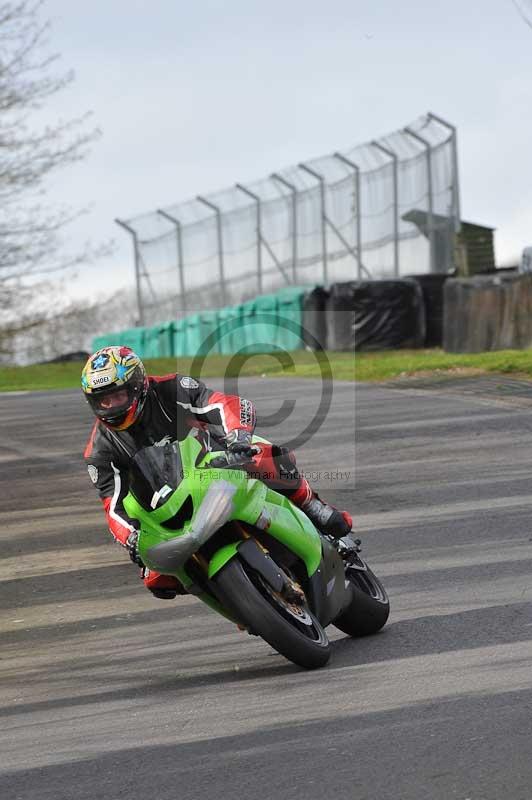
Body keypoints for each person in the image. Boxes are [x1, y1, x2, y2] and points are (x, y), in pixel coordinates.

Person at [82, 346, 352, 599]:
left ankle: (311, 505)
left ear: (138, 385)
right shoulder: (99, 450)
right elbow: (113, 502)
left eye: (118, 396)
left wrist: (239, 437)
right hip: (168, 502)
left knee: (264, 457)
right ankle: (234, 597)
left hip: (218, 459)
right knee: (155, 578)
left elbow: (222, 404)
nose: (112, 406)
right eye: (102, 401)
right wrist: (130, 537)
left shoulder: (170, 388)